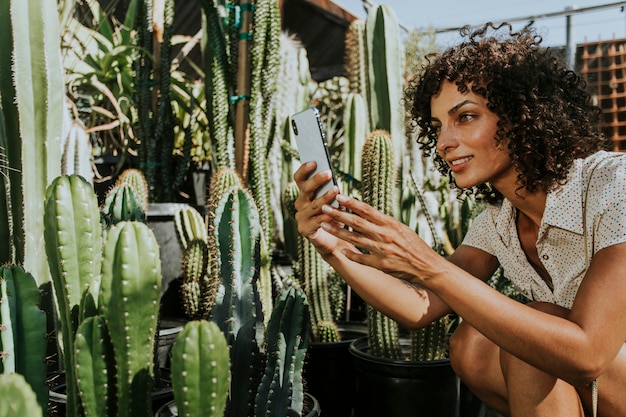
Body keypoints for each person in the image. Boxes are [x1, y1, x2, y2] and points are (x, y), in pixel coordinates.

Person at [293, 22, 626, 417]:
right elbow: (420, 308)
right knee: (472, 346)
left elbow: (586, 352)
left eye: (465, 117)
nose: (444, 142)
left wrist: (430, 265)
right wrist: (334, 249)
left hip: (606, 368)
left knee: (536, 335)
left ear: (524, 114)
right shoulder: (498, 222)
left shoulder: (613, 184)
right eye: (437, 127)